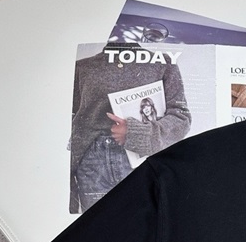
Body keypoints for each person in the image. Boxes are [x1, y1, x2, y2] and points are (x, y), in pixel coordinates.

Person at [69, 41, 192, 213]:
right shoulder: (82, 67)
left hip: (141, 159)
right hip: (92, 164)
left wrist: (136, 134)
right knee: (97, 226)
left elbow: (181, 117)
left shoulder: (163, 63)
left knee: (142, 225)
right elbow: (71, 121)